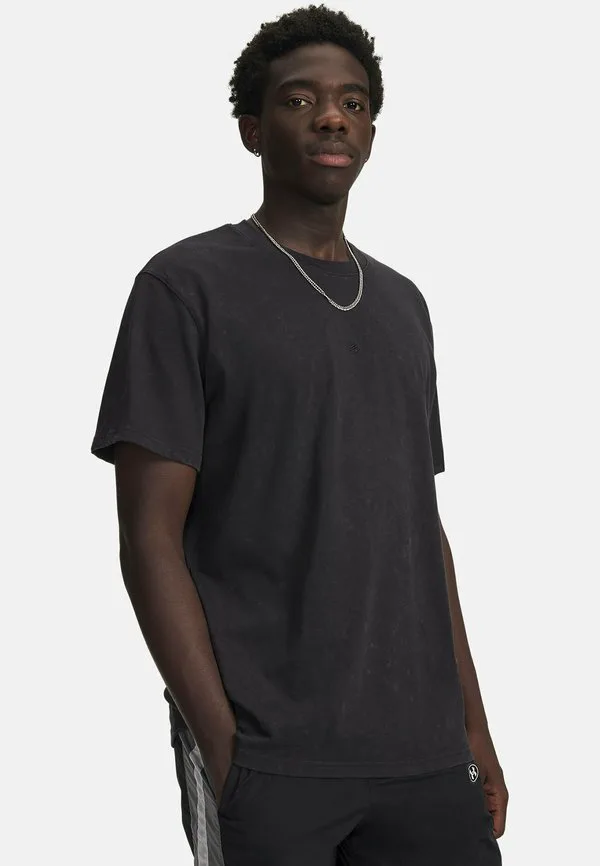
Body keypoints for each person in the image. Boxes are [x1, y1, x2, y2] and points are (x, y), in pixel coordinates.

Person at [90, 4, 508, 864]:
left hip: (426, 758)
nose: (331, 118)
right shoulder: (184, 287)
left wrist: (475, 729)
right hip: (272, 758)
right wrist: (226, 751)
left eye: (353, 103)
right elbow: (149, 538)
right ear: (253, 129)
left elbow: (421, 531)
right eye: (300, 99)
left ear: (371, 132)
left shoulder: (404, 306)